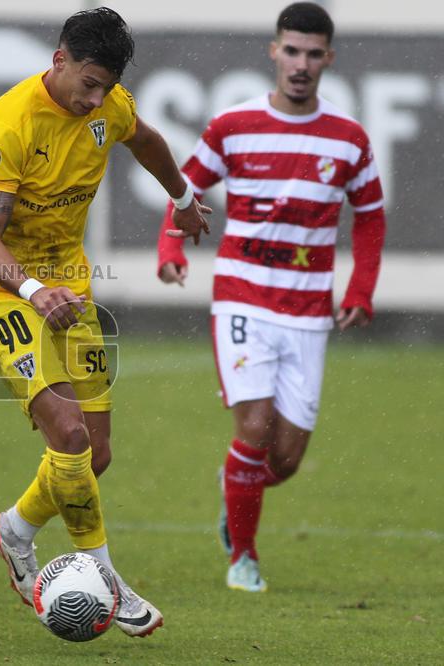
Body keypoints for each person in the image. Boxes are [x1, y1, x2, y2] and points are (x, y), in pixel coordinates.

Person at [0, 8, 211, 638]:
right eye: (87, 83)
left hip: (68, 287)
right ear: (59, 60)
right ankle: (105, 579)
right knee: (67, 434)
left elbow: (148, 140)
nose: (94, 99)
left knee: (93, 455)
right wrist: (35, 290)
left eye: (105, 89)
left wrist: (181, 200)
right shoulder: (8, 124)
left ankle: (13, 530)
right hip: (0, 290)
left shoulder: (110, 106)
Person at [157, 2, 386, 593]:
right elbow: (185, 188)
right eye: (292, 50)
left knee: (281, 461)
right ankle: (245, 559)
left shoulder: (348, 138)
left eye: (314, 53)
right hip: (242, 299)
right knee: (254, 425)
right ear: (274, 51)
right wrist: (172, 249)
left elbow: (370, 217)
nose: (301, 64)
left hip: (309, 312)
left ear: (328, 59)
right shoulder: (233, 126)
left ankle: (235, 489)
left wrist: (361, 288)